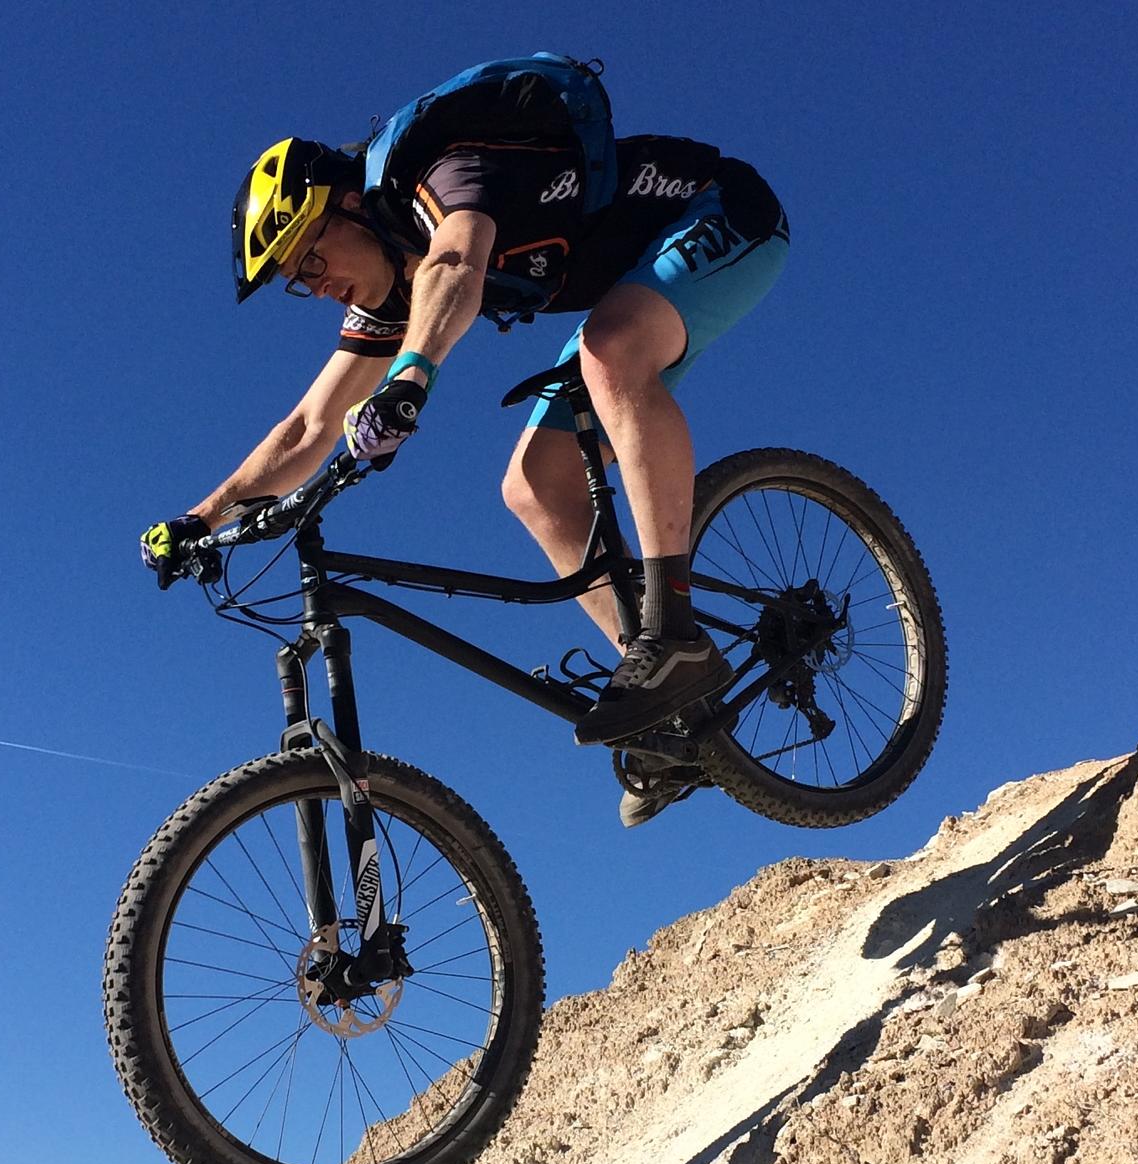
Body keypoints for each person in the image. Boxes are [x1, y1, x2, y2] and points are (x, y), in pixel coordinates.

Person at [142, 105, 789, 825]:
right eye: (300, 280)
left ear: (350, 206)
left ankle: (673, 635)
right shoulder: (389, 291)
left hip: (722, 211)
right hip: (635, 279)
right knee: (534, 486)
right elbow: (307, 426)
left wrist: (411, 378)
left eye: (312, 259)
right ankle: (669, 706)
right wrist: (202, 517)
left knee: (612, 354)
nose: (317, 286)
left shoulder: (449, 177)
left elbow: (456, 260)